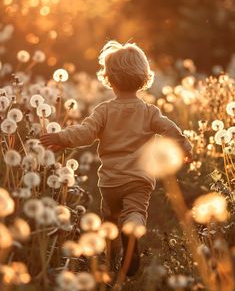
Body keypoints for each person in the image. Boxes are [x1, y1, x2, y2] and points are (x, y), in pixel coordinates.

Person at [40, 40, 193, 276]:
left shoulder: (104, 110)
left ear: (109, 78)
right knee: (136, 212)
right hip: (139, 180)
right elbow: (170, 129)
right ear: (144, 77)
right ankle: (132, 236)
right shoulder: (149, 112)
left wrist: (61, 137)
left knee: (110, 220)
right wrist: (184, 146)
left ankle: (112, 262)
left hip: (110, 181)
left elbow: (85, 133)